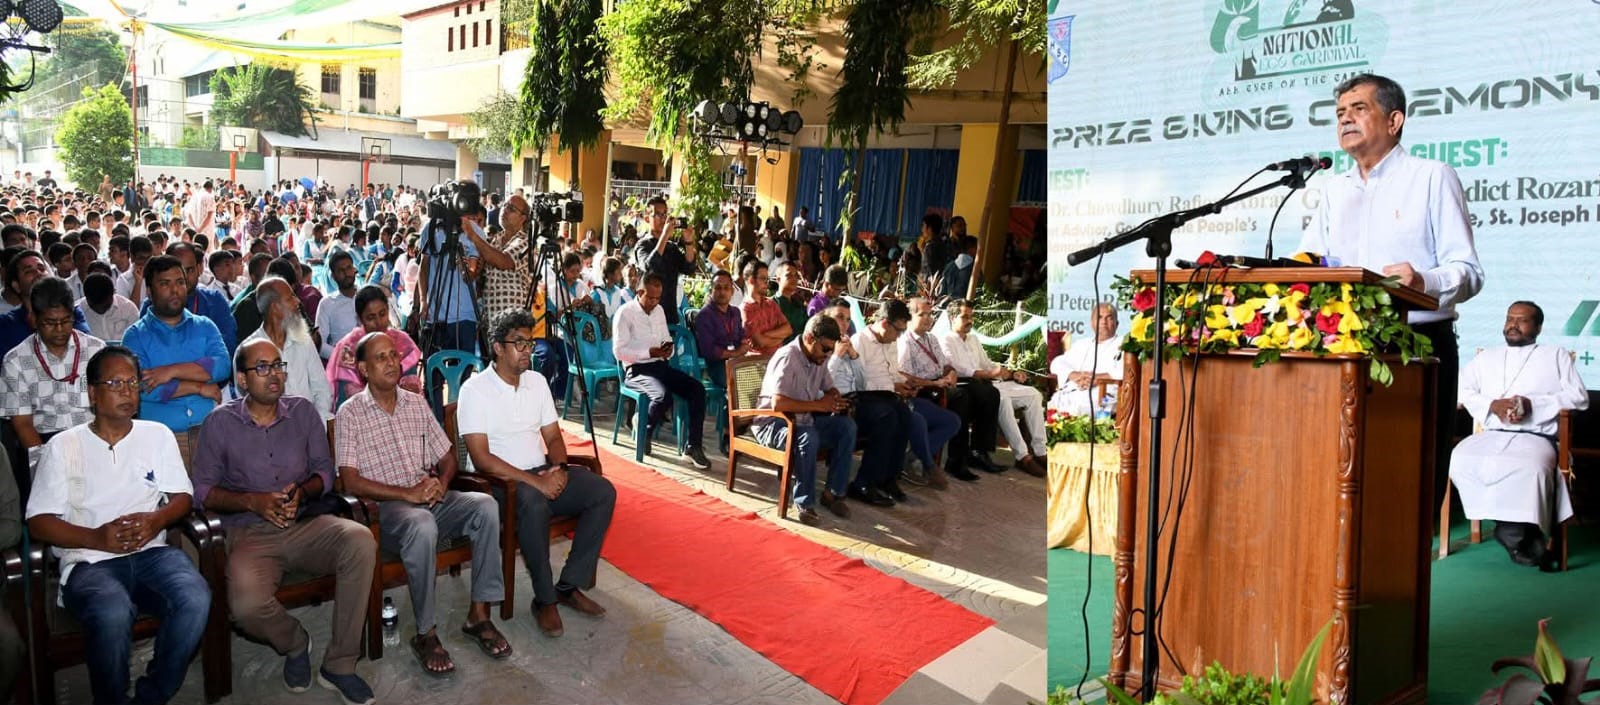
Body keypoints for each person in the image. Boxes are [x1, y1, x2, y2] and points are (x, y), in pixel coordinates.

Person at [1296, 73, 1485, 514]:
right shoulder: (1334, 189)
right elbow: (1308, 262)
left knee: (1406, 490)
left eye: (1359, 109)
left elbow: (1470, 272)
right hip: (1342, 349)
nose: (1346, 119)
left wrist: (1423, 282)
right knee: (1340, 483)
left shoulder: (1431, 177)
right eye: (1341, 112)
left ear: (1395, 119)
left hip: (1416, 349)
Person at [191, 338, 377, 703]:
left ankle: (340, 663)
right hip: (249, 533)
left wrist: (302, 493)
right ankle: (295, 643)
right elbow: (202, 492)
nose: (273, 374)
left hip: (305, 523)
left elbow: (325, 473)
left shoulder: (303, 412)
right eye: (262, 368)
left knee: (360, 539)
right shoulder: (219, 423)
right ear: (242, 380)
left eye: (278, 365)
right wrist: (252, 502)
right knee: (246, 607)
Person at [26, 346, 211, 705]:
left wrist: (156, 519)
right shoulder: (63, 446)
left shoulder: (155, 435)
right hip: (89, 560)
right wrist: (97, 537)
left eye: (132, 382)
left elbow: (182, 498)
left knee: (195, 597)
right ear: (92, 393)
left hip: (151, 553)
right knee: (112, 611)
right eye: (115, 383)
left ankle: (152, 694)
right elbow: (39, 522)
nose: (127, 391)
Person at [336, 331, 510, 677]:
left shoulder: (415, 402)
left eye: (393, 355)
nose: (391, 362)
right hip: (385, 511)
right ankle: (425, 633)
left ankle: (479, 615)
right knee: (421, 524)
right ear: (363, 369)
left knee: (485, 506)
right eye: (381, 358)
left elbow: (447, 457)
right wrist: (409, 495)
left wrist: (440, 484)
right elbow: (349, 481)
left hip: (429, 500)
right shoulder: (350, 413)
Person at [459, 309, 616, 638]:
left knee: (602, 491)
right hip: (498, 486)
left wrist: (558, 470)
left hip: (541, 473)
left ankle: (568, 585)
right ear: (498, 348)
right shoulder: (475, 390)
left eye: (530, 342)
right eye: (519, 343)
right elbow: (481, 458)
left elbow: (553, 437)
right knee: (533, 502)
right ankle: (545, 601)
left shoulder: (537, 381)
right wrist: (537, 482)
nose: (528, 349)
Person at [1449, 301, 1588, 569]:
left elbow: (1579, 398)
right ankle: (1511, 529)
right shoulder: (1485, 357)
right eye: (1509, 318)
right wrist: (1492, 405)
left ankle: (1518, 531)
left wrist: (1532, 404)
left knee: (1530, 468)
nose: (1513, 324)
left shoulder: (1555, 356)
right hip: (1491, 433)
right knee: (1461, 458)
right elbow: (1459, 391)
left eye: (1522, 320)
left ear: (1538, 327)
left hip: (1535, 437)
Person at [121, 255, 230, 468]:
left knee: (209, 499)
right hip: (161, 438)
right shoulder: (135, 336)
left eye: (180, 282)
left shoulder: (205, 326)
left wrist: (169, 372)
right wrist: (199, 387)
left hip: (208, 433)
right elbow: (144, 389)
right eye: (165, 284)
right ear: (150, 291)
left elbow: (222, 366)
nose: (175, 290)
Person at [753, 314, 856, 525]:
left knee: (846, 427)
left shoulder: (818, 357)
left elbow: (829, 387)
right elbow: (778, 403)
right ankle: (804, 502)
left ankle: (833, 493)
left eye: (830, 350)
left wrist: (835, 398)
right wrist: (820, 405)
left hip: (802, 420)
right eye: (825, 349)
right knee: (807, 437)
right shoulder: (787, 357)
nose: (828, 355)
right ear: (810, 338)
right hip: (773, 424)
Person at [2, 277, 106, 485]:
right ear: (33, 318)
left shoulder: (96, 350)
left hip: (95, 437)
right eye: (50, 323)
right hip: (43, 441)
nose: (59, 329)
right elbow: (23, 424)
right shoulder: (16, 360)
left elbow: (108, 409)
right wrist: (47, 465)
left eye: (66, 321)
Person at [611, 273, 711, 469]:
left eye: (658, 298)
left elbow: (666, 338)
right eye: (650, 297)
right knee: (663, 396)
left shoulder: (659, 311)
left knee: (697, 389)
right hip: (635, 370)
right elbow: (619, 351)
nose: (654, 302)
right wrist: (648, 352)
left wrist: (667, 349)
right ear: (639, 292)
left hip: (660, 365)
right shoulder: (625, 313)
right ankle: (644, 429)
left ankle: (693, 446)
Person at [940, 298, 1048, 477]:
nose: (969, 321)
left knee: (1033, 394)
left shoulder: (973, 339)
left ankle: (1040, 451)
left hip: (989, 384)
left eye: (971, 316)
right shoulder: (946, 340)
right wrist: (989, 374)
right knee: (1001, 398)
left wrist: (1010, 373)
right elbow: (958, 369)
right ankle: (1023, 456)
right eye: (964, 316)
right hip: (970, 387)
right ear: (952, 318)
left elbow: (987, 363)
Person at [900, 296, 1003, 477]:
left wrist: (951, 372)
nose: (928, 318)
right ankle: (957, 461)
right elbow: (905, 377)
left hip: (941, 385)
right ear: (909, 317)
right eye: (922, 314)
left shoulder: (931, 338)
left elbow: (945, 365)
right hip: (923, 390)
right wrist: (934, 383)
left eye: (930, 314)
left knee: (985, 394)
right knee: (962, 398)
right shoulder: (905, 341)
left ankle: (974, 453)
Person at [418, 196, 512, 354]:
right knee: (434, 370)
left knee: (464, 371)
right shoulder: (431, 228)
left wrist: (461, 259)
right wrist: (422, 300)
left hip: (465, 315)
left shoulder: (475, 233)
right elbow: (424, 266)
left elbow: (472, 275)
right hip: (435, 314)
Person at [246, 276, 335, 418]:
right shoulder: (249, 351)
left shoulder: (304, 340)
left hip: (311, 423)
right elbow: (249, 405)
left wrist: (315, 421)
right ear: (275, 307)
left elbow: (322, 389)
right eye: (291, 298)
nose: (298, 302)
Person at [327, 284, 423, 405]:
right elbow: (346, 398)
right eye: (371, 317)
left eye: (382, 314)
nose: (378, 322)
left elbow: (412, 387)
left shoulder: (402, 342)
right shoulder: (349, 348)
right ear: (360, 319)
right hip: (361, 414)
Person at [633, 195, 698, 325]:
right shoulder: (642, 245)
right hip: (647, 315)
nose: (663, 219)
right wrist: (665, 235)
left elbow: (689, 268)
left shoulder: (671, 247)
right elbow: (650, 266)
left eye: (665, 215)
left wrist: (689, 242)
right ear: (647, 218)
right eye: (658, 215)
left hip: (669, 316)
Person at [1050, 303, 1123, 415]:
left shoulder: (1123, 344)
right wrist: (1075, 375)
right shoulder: (1082, 344)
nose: (1104, 322)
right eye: (1099, 317)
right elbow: (1057, 363)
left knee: (1081, 406)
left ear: (1117, 324)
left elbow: (1126, 372)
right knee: (1053, 404)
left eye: (1109, 318)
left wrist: (1096, 378)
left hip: (1105, 395)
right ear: (1091, 322)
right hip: (1075, 390)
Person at [695, 270, 753, 388]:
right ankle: (732, 406)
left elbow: (741, 335)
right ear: (711, 291)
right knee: (742, 384)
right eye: (718, 288)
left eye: (726, 288)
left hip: (737, 361)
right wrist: (736, 352)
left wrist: (744, 342)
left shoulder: (735, 312)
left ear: (732, 291)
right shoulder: (704, 316)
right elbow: (709, 350)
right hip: (717, 366)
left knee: (762, 377)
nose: (722, 292)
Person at [316, 249, 361, 362]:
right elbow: (320, 344)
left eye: (349, 268)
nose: (346, 273)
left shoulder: (367, 295)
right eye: (341, 270)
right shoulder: (327, 304)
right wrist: (345, 358)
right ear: (333, 276)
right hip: (342, 366)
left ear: (354, 269)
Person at [739, 259, 791, 355]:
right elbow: (761, 342)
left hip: (777, 359)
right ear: (751, 280)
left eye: (767, 279)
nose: (767, 283)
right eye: (763, 279)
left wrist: (766, 334)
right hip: (758, 365)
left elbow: (788, 329)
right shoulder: (745, 309)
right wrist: (780, 337)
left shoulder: (771, 304)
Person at [773, 261, 810, 342]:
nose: (794, 279)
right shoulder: (771, 304)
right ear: (778, 279)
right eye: (788, 275)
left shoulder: (799, 304)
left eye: (796, 276)